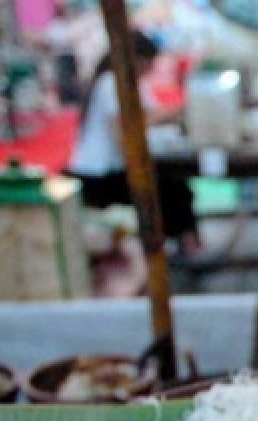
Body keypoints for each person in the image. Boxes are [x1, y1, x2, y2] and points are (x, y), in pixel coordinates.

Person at [67, 31, 199, 255]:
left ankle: (180, 244)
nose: (149, 69)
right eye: (148, 63)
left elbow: (149, 116)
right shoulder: (111, 83)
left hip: (116, 170)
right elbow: (126, 134)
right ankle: (175, 247)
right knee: (169, 189)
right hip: (98, 178)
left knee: (175, 184)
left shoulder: (134, 84)